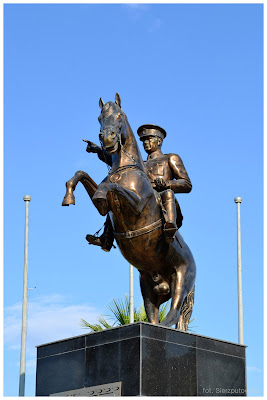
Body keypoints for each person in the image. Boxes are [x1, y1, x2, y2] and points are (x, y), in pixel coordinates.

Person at [85, 124, 192, 251]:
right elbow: (117, 162)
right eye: (143, 140)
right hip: (142, 199)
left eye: (149, 139)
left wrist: (167, 184)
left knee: (168, 193)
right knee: (116, 198)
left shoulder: (170, 158)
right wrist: (98, 150)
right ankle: (106, 238)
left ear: (159, 141)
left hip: (160, 199)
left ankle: (169, 229)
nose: (145, 142)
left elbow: (186, 184)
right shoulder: (139, 164)